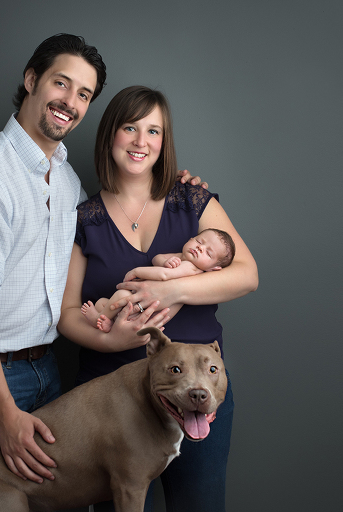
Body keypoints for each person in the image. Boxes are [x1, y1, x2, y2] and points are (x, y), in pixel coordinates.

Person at [0, 34, 204, 487]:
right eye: (62, 83)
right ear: (32, 79)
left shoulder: (67, 179)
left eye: (84, 94)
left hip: (47, 370)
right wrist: (4, 411)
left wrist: (176, 181)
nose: (70, 102)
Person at [57, 86, 258, 511]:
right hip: (114, 403)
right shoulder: (83, 218)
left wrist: (171, 290)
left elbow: (247, 274)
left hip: (197, 387)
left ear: (164, 142)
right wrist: (112, 341)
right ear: (110, 134)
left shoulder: (192, 200)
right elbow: (67, 314)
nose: (141, 142)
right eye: (130, 128)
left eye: (154, 131)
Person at [81, 228, 235, 332]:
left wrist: (136, 271)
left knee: (121, 296)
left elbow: (164, 275)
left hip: (150, 312)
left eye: (208, 253)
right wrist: (163, 261)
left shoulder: (191, 267)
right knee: (102, 302)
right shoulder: (180, 256)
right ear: (190, 239)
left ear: (213, 269)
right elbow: (157, 259)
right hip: (141, 306)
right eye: (199, 242)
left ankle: (100, 320)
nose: (200, 248)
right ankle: (109, 322)